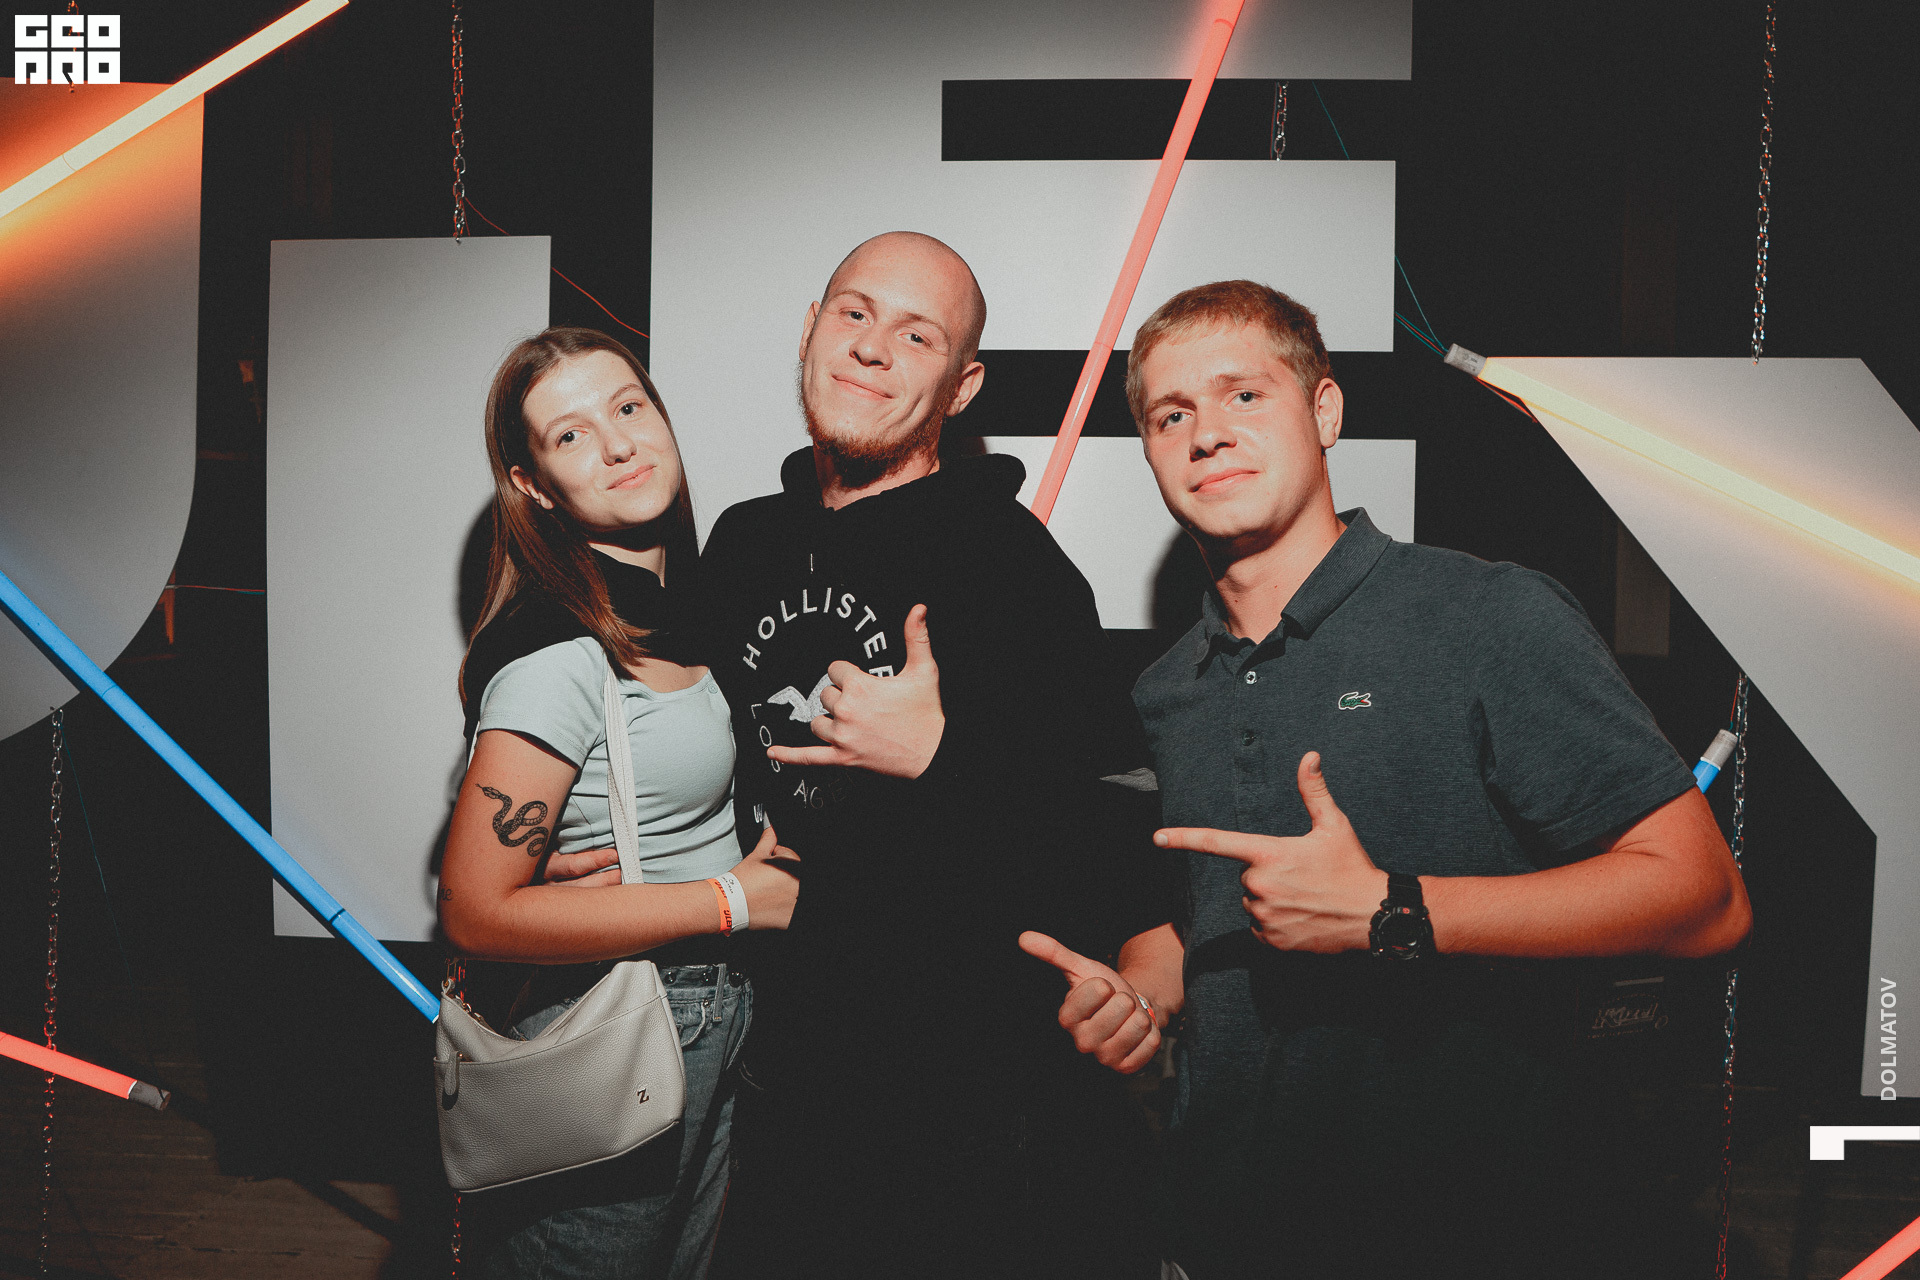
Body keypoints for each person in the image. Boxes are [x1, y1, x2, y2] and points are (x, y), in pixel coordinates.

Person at [1020, 281, 1753, 1279]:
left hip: (1460, 1231)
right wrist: (1141, 995)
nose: (1206, 434)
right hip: (1218, 1229)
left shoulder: (1486, 617)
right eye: (1171, 415)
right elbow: (1204, 919)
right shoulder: (1165, 690)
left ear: (1325, 411)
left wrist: (1393, 911)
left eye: (1244, 395)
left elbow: (1706, 898)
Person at [693, 232, 1180, 1278]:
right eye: (854, 313)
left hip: (963, 1118)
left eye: (917, 335)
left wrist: (941, 755)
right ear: (812, 331)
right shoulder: (741, 544)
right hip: (771, 1081)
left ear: (963, 387)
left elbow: (1108, 836)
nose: (872, 347)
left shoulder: (1013, 567)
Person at [438, 327, 801, 1280]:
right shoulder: (556, 652)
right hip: (623, 1019)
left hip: (711, 1014)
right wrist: (735, 900)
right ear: (534, 486)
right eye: (570, 435)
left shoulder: (686, 611)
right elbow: (473, 911)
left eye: (629, 407)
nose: (617, 444)